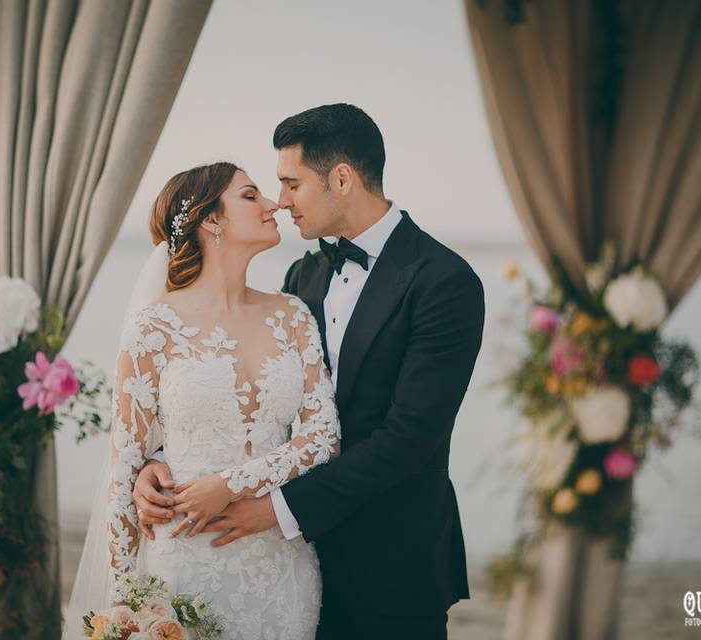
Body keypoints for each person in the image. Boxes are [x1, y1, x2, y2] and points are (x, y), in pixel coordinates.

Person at [134, 104, 486, 639]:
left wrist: (277, 509)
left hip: (388, 559)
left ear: (341, 178)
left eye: (291, 183)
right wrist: (166, 459)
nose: (281, 201)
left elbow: (411, 437)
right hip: (287, 564)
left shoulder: (444, 281)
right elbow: (250, 397)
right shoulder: (305, 276)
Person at [64, 161, 341, 639]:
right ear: (212, 220)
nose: (273, 203)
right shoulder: (154, 327)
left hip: (282, 566)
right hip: (185, 562)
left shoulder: (292, 314)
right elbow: (124, 474)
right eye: (251, 196)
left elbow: (323, 438)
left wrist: (227, 484)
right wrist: (123, 612)